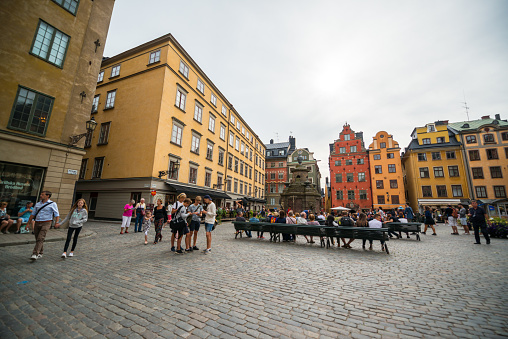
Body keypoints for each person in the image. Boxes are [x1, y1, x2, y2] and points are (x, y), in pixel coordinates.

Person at [28, 191, 60, 261]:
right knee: (38, 238)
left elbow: (57, 214)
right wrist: (28, 224)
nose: (40, 196)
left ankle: (35, 254)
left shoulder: (52, 204)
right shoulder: (38, 204)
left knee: (40, 238)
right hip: (37, 222)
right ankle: (41, 252)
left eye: (42, 195)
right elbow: (33, 214)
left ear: (47, 196)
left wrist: (57, 222)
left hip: (47, 222)